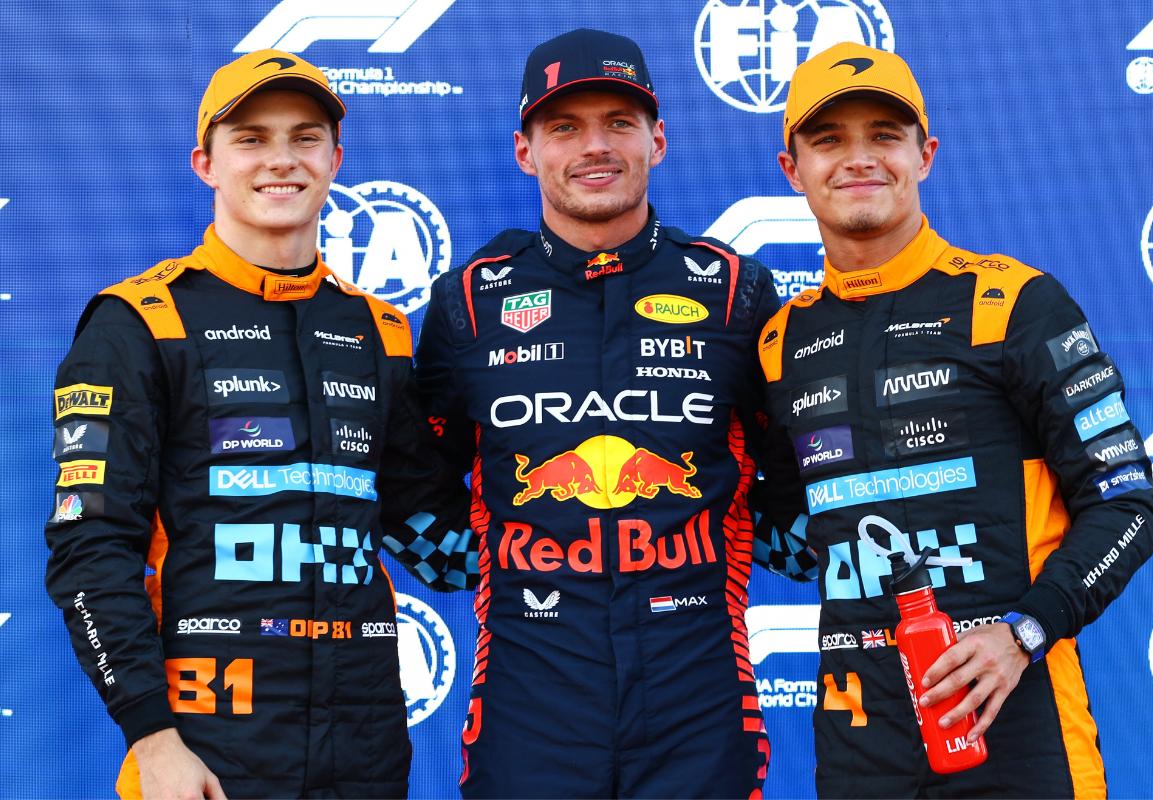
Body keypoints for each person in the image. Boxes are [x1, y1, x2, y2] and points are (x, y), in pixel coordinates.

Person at [45, 50, 473, 799]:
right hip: (206, 753)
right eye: (251, 138)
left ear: (335, 159)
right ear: (205, 162)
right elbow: (89, 553)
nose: (282, 159)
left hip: (367, 750)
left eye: (304, 137)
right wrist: (153, 738)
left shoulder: (380, 332)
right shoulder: (139, 323)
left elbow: (432, 537)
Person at [757, 41, 1153, 797]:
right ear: (792, 169)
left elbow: (1129, 505)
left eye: (884, 135)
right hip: (857, 743)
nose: (858, 159)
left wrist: (1024, 632)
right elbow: (787, 523)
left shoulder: (1013, 303)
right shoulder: (783, 343)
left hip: (1021, 725)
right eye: (827, 140)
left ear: (925, 154)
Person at [413, 28, 806, 799]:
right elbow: (416, 473)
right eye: (564, 126)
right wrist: (501, 562)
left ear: (657, 140)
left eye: (619, 123)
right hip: (530, 699)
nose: (595, 147)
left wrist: (756, 547)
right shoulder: (467, 301)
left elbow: (796, 472)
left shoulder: (736, 292)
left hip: (699, 697)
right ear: (526, 151)